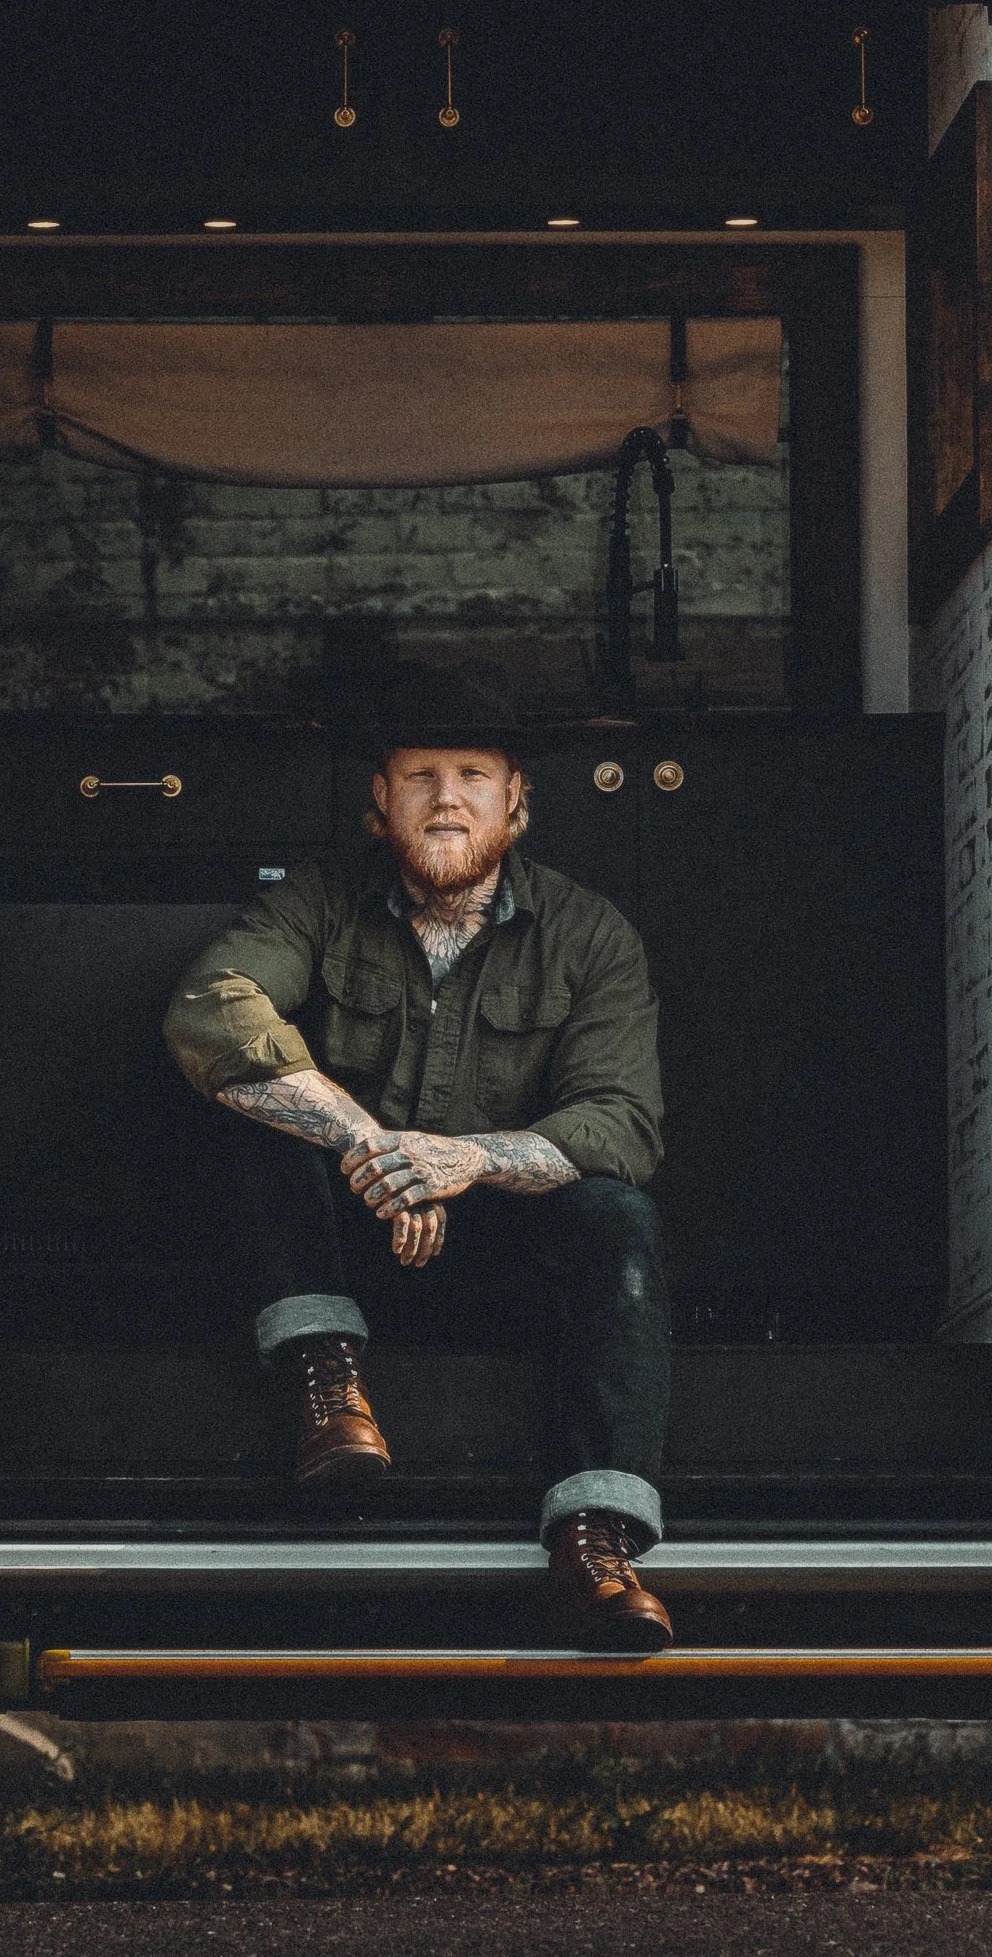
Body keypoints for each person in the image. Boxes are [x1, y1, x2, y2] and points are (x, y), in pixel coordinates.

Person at [163, 669, 672, 1650]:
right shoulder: (317, 903)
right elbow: (213, 1007)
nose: (446, 797)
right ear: (376, 804)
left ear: (515, 803)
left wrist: (467, 1160)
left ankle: (593, 1541)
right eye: (419, 776)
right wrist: (368, 1143)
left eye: (474, 774)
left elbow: (622, 1119)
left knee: (619, 1217)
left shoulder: (589, 932)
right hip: (341, 1260)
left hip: (502, 1260)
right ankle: (329, 1386)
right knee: (253, 1118)